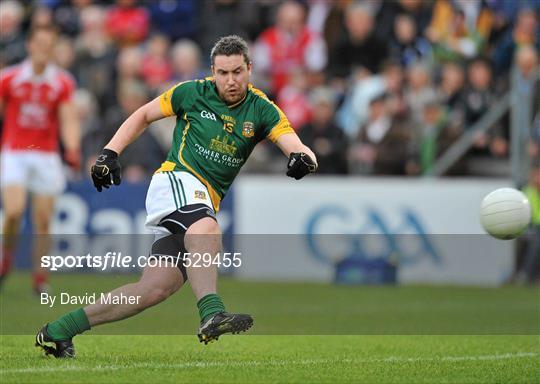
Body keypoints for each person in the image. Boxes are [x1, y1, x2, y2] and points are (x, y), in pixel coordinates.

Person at [35, 35, 318, 358]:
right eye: (222, 73)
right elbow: (143, 114)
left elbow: (297, 145)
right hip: (175, 180)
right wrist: (110, 153)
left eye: (237, 72)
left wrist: (302, 159)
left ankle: (58, 330)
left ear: (250, 69)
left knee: (154, 288)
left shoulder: (262, 108)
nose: (230, 80)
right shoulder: (191, 93)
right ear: (212, 71)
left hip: (201, 198)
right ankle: (211, 312)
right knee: (207, 229)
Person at [0, 26, 80, 294]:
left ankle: (39, 277)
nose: (44, 50)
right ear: (30, 46)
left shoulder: (62, 82)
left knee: (43, 219)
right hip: (15, 152)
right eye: (40, 44)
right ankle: (6, 257)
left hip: (46, 155)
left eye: (49, 45)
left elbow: (68, 118)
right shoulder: (9, 78)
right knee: (13, 211)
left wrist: (72, 148)